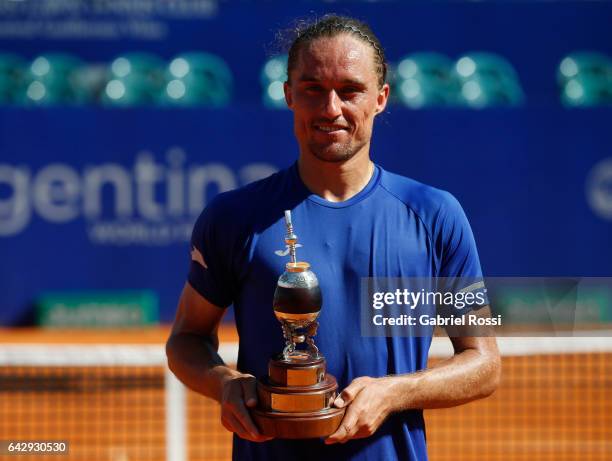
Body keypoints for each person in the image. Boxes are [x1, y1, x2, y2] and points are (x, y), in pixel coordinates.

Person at [166, 14, 501, 461]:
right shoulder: (232, 217)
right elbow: (186, 339)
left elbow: (484, 364)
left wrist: (394, 392)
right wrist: (224, 383)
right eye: (312, 89)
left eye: (350, 90)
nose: (330, 108)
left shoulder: (436, 214)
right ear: (288, 95)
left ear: (380, 98)